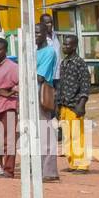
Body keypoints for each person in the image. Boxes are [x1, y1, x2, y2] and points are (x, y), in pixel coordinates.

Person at [56, 35, 90, 173]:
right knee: (67, 136)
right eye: (64, 44)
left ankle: (81, 164)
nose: (65, 47)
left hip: (75, 105)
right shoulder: (64, 63)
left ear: (74, 46)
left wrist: (82, 103)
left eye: (68, 45)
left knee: (77, 135)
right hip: (64, 104)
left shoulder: (79, 63)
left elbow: (85, 84)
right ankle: (72, 163)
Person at [0, 38, 19, 178]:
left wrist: (10, 92)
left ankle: (8, 170)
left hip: (7, 107)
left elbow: (23, 85)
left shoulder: (13, 67)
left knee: (9, 140)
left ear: (5, 50)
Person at [33, 24, 60, 182]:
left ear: (45, 34)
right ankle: (38, 168)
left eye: (38, 32)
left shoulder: (49, 51)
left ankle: (49, 171)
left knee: (45, 133)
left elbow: (40, 77)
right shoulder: (34, 51)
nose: (36, 35)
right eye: (34, 33)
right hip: (31, 92)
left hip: (41, 92)